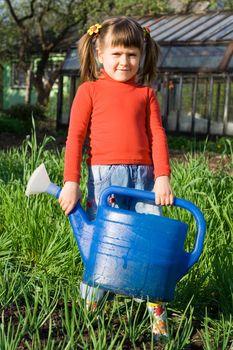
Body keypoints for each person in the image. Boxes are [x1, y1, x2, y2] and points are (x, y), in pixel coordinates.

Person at [59, 16, 173, 341]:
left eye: (132, 54)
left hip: (144, 181)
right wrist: (71, 181)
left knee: (149, 245)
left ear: (142, 54)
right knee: (102, 241)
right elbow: (75, 138)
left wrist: (162, 177)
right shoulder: (89, 91)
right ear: (100, 53)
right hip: (104, 179)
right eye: (117, 54)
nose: (124, 62)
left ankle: (157, 319)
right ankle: (91, 314)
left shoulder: (146, 95)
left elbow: (158, 136)